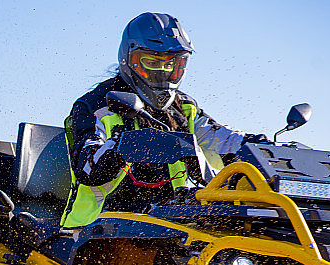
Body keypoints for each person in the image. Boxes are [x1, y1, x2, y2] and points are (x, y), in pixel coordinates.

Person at [60, 12, 267, 228]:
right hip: (94, 229)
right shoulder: (95, 106)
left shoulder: (184, 108)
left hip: (169, 225)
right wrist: (123, 145)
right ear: (128, 58)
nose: (162, 72)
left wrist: (256, 146)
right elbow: (87, 170)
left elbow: (224, 140)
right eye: (151, 62)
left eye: (171, 64)